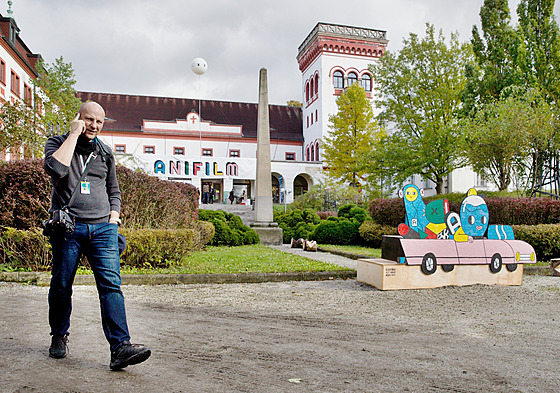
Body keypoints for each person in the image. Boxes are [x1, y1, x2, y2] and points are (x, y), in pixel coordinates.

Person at [43, 101, 151, 370]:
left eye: (99, 122)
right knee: (61, 285)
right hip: (69, 228)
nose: (93, 126)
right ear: (78, 118)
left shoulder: (104, 152)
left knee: (111, 286)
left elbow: (114, 189)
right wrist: (72, 134)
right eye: (88, 120)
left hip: (103, 228)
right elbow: (56, 170)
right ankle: (59, 335)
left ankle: (120, 348)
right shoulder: (57, 142)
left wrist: (113, 217)